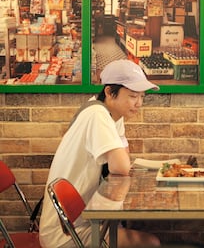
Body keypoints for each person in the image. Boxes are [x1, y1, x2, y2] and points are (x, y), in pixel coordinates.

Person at [39, 59, 161, 248]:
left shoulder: (111, 113)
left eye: (142, 97)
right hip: (67, 233)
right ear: (109, 92)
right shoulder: (97, 115)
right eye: (132, 96)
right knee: (151, 243)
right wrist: (123, 164)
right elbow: (121, 166)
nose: (139, 103)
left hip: (85, 220)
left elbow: (123, 159)